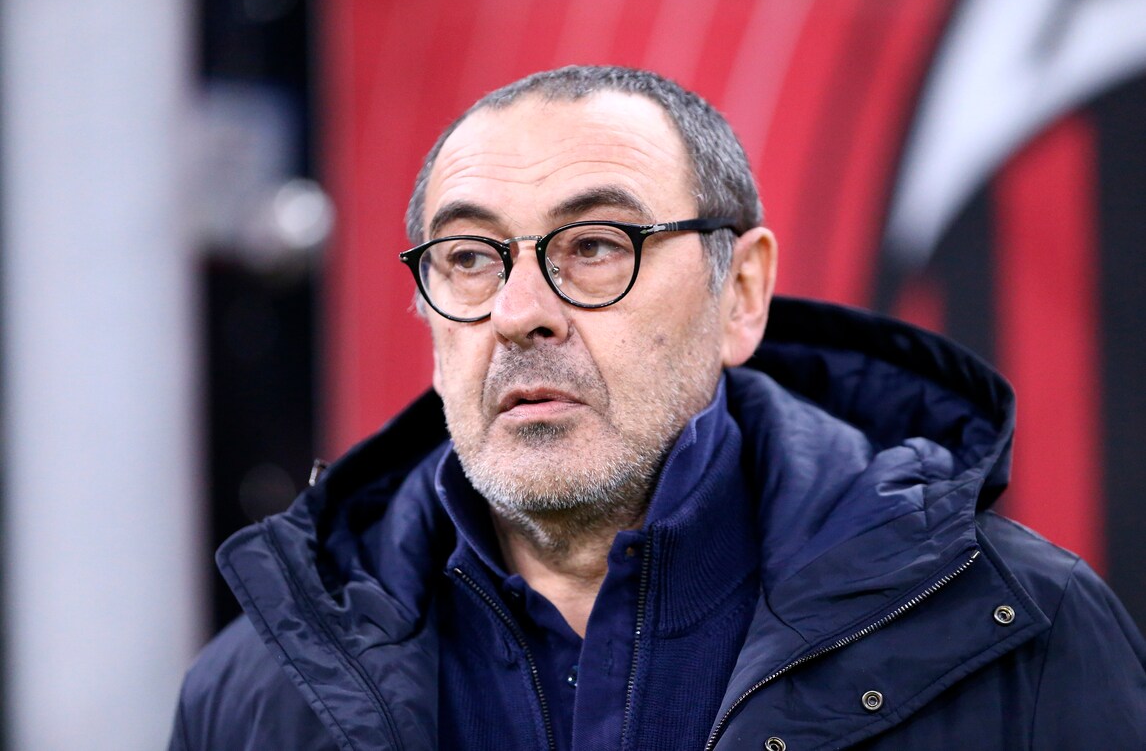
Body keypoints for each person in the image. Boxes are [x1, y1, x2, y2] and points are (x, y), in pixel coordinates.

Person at [170, 66, 1146, 750]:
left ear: (742, 292)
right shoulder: (259, 695)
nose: (518, 313)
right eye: (468, 258)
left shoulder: (1021, 631)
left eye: (595, 246)